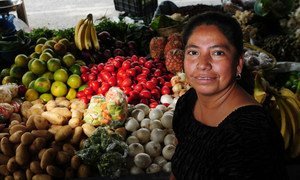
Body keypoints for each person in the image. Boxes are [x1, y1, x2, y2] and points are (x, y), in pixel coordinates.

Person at [170, 11, 288, 179]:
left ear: (238, 65)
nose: (203, 64)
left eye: (218, 53)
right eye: (193, 52)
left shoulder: (250, 134)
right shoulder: (187, 103)